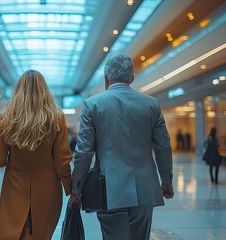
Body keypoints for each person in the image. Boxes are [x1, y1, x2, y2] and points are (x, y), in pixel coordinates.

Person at [70, 54, 174, 240]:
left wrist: (76, 189)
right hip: (145, 190)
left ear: (106, 79)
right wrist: (166, 180)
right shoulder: (151, 105)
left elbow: (84, 152)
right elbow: (163, 146)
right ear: (131, 78)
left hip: (109, 190)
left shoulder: (93, 105)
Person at [0, 70, 72, 240]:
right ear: (45, 90)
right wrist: (71, 188)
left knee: (15, 234)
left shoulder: (5, 119)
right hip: (47, 187)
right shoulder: (56, 119)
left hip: (14, 186)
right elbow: (62, 161)